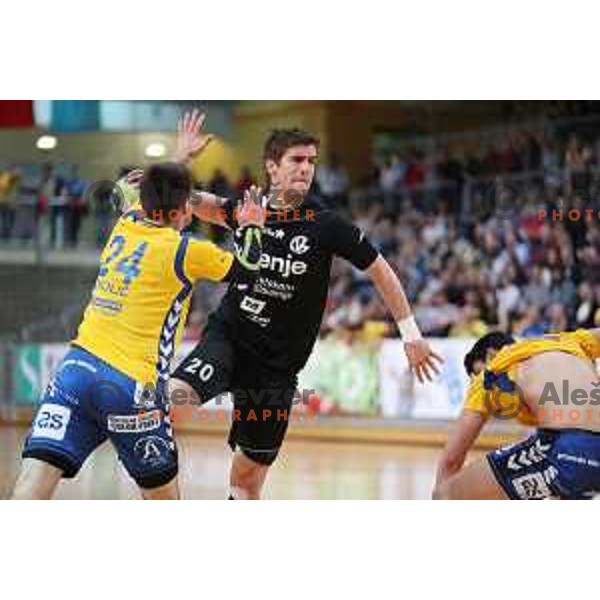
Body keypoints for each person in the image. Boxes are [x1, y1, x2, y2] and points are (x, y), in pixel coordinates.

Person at [166, 111, 443, 500]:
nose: (306, 168)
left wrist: (411, 334)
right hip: (229, 339)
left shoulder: (326, 224)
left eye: (311, 161)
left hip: (277, 370)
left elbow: (381, 271)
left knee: (246, 483)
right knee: (169, 406)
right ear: (272, 167)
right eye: (296, 160)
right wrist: (181, 158)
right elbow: (177, 199)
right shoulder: (247, 210)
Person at [10, 158, 265, 500]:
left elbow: (138, 187)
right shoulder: (185, 250)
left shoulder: (125, 222)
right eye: (186, 209)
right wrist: (251, 226)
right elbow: (248, 269)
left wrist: (179, 159)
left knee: (30, 488)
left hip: (74, 370)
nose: (190, 215)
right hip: (130, 387)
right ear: (175, 215)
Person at [433, 329, 600, 500]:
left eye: (475, 374)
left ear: (490, 355)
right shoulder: (566, 340)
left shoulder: (493, 371)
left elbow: (451, 460)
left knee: (444, 494)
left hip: (564, 450)